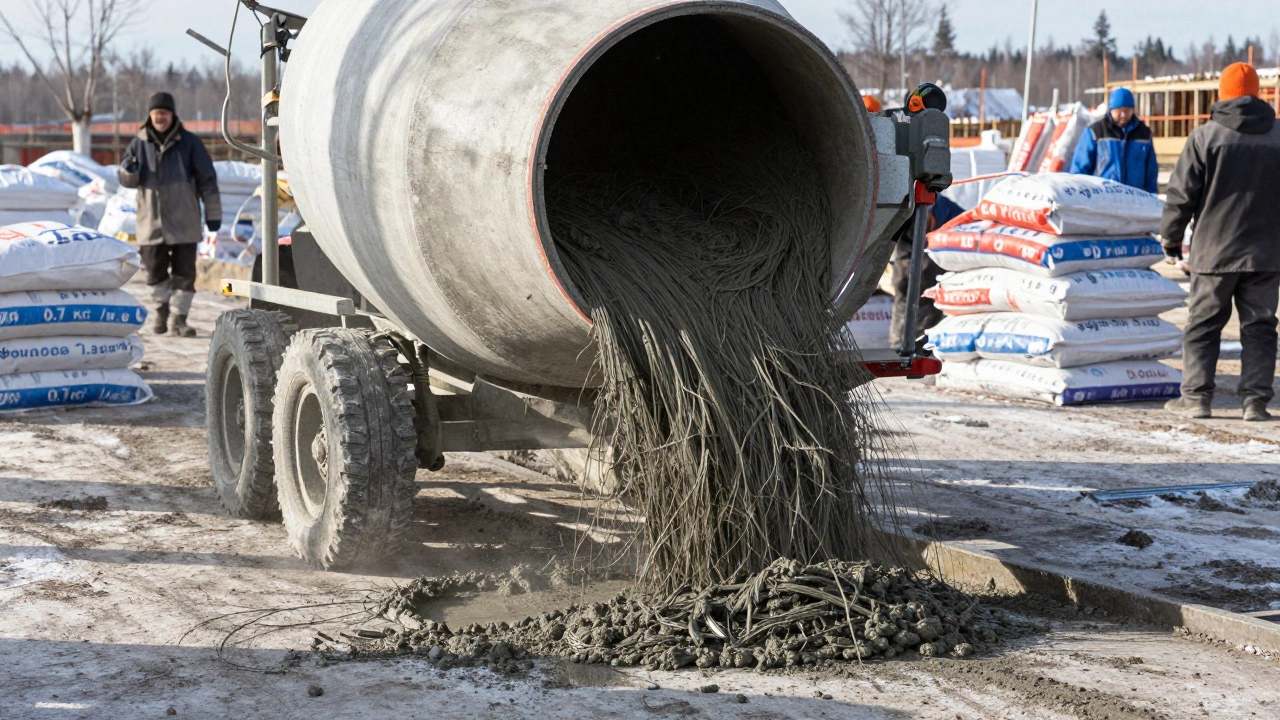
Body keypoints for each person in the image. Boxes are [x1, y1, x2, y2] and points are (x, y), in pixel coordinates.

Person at [1161, 63, 1280, 422]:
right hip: (1268, 253)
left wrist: (1171, 238)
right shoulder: (1278, 136)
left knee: (1204, 325)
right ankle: (1255, 403)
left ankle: (1196, 399)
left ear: (1222, 93)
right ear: (1258, 93)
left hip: (1214, 251)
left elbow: (1182, 194)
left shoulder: (1205, 137)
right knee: (1260, 327)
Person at [119, 92, 221, 337]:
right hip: (151, 222)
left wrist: (213, 213)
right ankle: (162, 310)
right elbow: (126, 180)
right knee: (154, 272)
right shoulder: (138, 143)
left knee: (184, 273)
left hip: (184, 220)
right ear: (150, 116)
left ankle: (180, 318)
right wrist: (129, 171)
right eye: (156, 114)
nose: (160, 118)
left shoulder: (190, 143)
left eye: (163, 113)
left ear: (172, 114)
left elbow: (208, 181)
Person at [890, 194, 964, 351]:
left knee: (926, 289)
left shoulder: (944, 213)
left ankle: (920, 345)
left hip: (940, 243)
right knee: (903, 285)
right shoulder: (904, 207)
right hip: (913, 235)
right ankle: (899, 343)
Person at [1069, 87, 1159, 194]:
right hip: (1102, 196)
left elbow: (1151, 170)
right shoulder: (1096, 132)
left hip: (1135, 197)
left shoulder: (1144, 134)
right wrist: (1079, 193)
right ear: (1111, 110)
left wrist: (1152, 194)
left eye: (1127, 111)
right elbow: (1081, 167)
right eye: (1119, 111)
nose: (1123, 115)